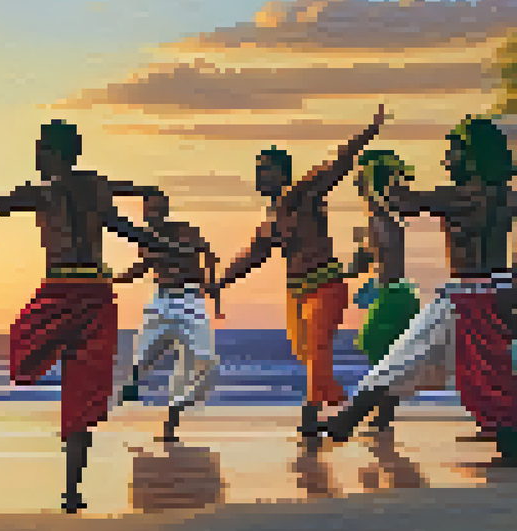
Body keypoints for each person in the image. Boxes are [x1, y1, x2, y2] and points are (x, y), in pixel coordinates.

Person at [0, 119, 189, 513]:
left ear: (52, 154)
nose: (37, 156)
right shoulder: (91, 186)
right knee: (79, 395)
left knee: (28, 352)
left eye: (41, 149)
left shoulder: (43, 193)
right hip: (95, 293)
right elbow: (122, 225)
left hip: (64, 290)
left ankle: (72, 489)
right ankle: (72, 490)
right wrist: (163, 243)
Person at [325, 116, 517, 468]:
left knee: (458, 366)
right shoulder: (504, 196)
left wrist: (380, 175)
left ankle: (348, 418)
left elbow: (405, 203)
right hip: (492, 291)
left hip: (468, 296)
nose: (446, 161)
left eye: (453, 153)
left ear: (471, 156)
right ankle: (348, 418)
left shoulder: (463, 196)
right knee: (474, 366)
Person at [211, 105, 385, 437]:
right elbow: (252, 256)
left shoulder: (303, 194)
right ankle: (341, 406)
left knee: (318, 350)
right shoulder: (272, 221)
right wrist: (220, 282)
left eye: (265, 170)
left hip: (326, 286)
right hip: (296, 293)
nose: (259, 176)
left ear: (282, 173)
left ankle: (312, 415)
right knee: (307, 355)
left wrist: (367, 133)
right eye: (258, 170)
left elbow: (337, 164)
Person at [113, 191, 222, 442]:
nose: (152, 214)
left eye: (157, 209)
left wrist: (212, 288)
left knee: (197, 362)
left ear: (165, 210)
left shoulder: (184, 231)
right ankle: (132, 384)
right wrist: (114, 278)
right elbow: (141, 268)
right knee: (146, 351)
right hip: (162, 299)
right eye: (148, 210)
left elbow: (208, 254)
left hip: (190, 298)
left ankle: (171, 422)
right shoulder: (146, 239)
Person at [349, 149, 421, 431]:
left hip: (393, 295)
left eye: (361, 180)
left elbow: (376, 260)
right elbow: (363, 264)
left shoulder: (379, 219)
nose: (356, 185)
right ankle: (383, 415)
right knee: (383, 355)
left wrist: (364, 248)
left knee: (380, 353)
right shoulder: (379, 220)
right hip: (393, 293)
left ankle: (382, 416)